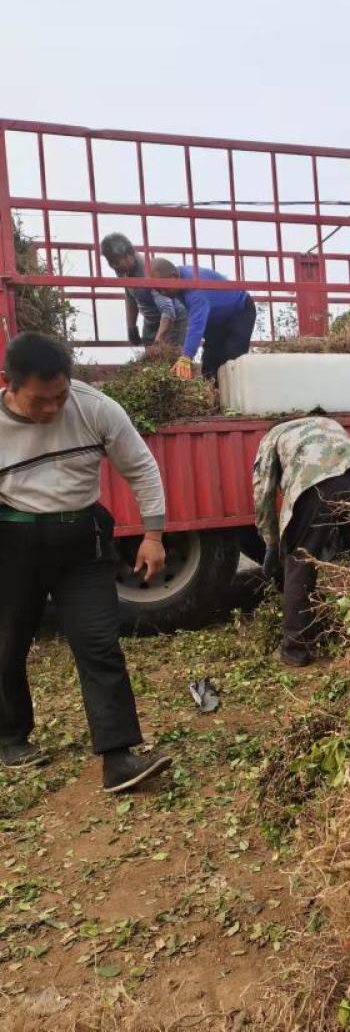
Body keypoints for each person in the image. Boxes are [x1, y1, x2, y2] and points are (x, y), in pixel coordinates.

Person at [0, 332, 173, 793]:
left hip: (82, 539)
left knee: (99, 643)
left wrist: (153, 535)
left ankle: (118, 759)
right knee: (8, 642)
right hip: (14, 539)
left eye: (60, 395)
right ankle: (11, 736)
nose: (54, 409)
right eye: (41, 400)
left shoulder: (95, 407)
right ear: (9, 384)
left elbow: (141, 466)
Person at [253, 416, 350, 667]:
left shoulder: (273, 436)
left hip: (314, 488)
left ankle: (294, 651)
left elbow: (263, 493)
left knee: (300, 564)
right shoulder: (327, 424)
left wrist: (272, 543)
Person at [149, 258, 256, 381]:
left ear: (174, 276)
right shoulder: (178, 282)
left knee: (233, 357)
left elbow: (196, 324)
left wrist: (186, 357)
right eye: (158, 290)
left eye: (164, 288)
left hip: (239, 310)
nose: (163, 293)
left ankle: (239, 397)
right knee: (210, 364)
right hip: (216, 320)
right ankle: (215, 396)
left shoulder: (194, 288)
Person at [100, 233, 188, 350]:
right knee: (151, 363)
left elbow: (168, 310)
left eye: (116, 261)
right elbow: (130, 296)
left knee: (167, 360)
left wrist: (158, 340)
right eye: (110, 262)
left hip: (172, 320)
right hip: (151, 320)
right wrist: (131, 326)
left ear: (129, 254)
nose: (113, 265)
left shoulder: (147, 273)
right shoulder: (122, 270)